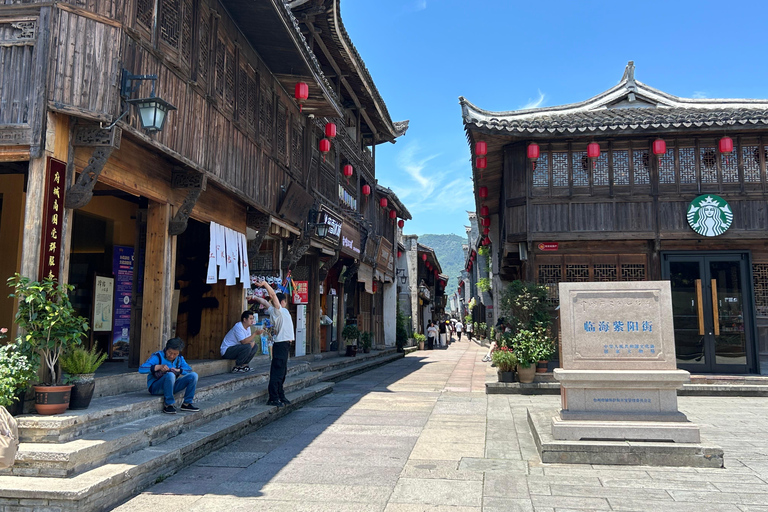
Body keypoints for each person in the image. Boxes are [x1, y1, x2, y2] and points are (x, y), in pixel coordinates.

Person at [254, 280, 294, 407]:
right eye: (284, 301)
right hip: (280, 344)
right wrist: (265, 284)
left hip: (284, 345)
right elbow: (272, 297)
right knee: (277, 372)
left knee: (282, 373)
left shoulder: (276, 311)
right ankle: (273, 397)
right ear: (283, 302)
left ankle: (280, 395)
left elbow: (265, 302)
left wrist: (254, 297)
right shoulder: (278, 311)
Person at [138, 337, 199, 414]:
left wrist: (179, 370)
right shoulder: (158, 356)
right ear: (166, 349)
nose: (172, 356)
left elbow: (189, 370)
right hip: (156, 387)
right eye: (169, 352)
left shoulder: (179, 358)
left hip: (171, 386)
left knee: (194, 376)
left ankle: (187, 403)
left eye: (175, 354)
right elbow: (141, 369)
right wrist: (158, 367)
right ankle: (168, 404)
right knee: (170, 375)